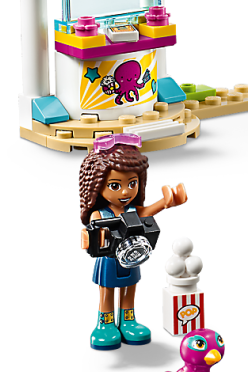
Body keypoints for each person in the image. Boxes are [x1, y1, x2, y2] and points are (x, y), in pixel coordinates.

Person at [78, 132, 189, 349]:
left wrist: (167, 202)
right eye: (115, 186)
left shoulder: (132, 209)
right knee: (107, 290)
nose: (125, 192)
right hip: (109, 260)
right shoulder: (99, 214)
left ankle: (128, 320)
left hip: (133, 255)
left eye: (132, 183)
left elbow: (146, 212)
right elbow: (94, 231)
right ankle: (105, 324)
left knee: (130, 288)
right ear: (97, 185)